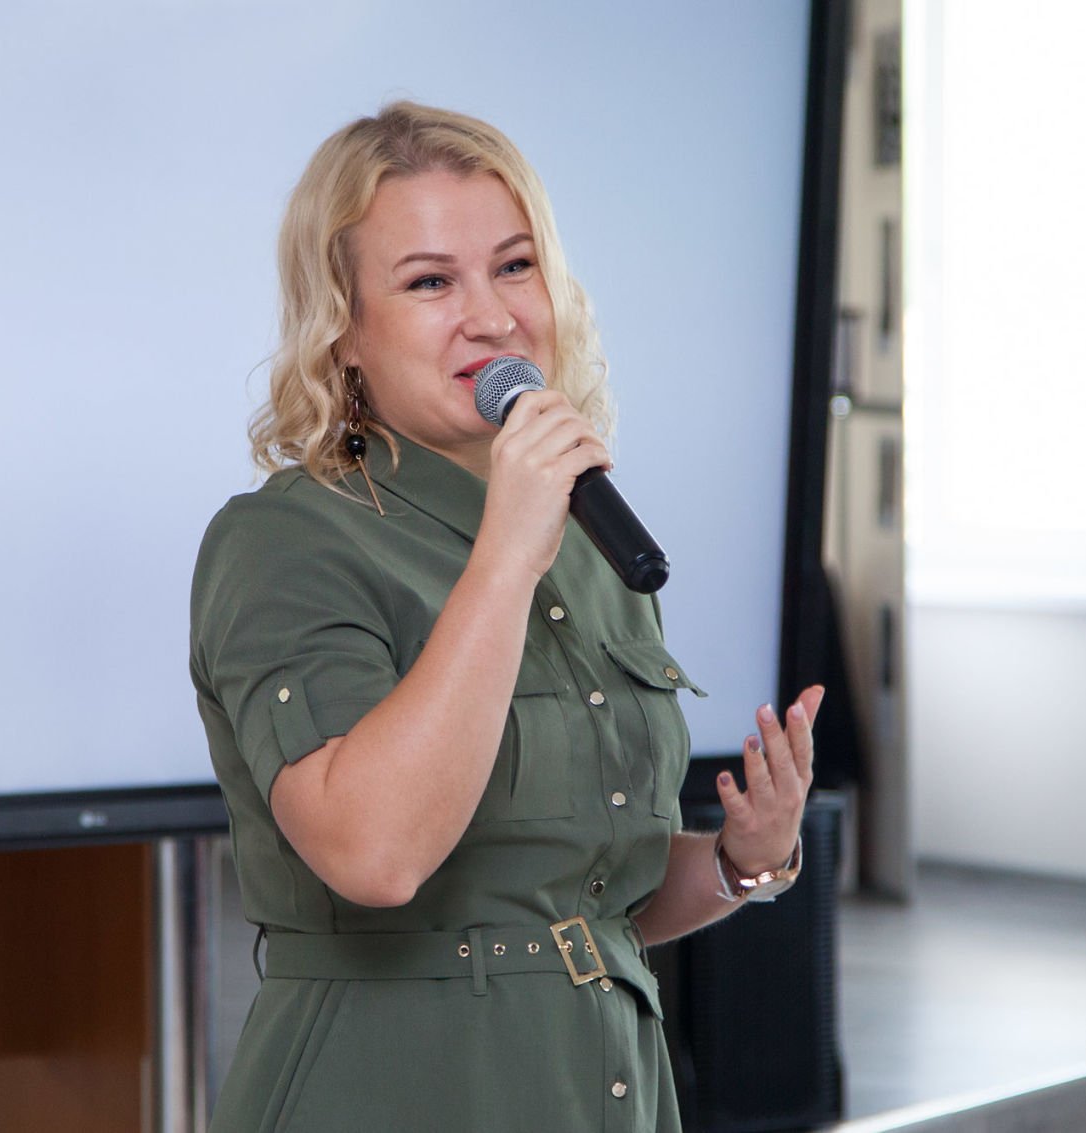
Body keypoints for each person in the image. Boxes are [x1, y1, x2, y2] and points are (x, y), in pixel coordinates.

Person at [189, 100, 822, 1132]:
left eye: (514, 267)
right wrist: (506, 556)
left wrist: (736, 861)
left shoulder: (588, 540)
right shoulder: (287, 542)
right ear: (342, 329)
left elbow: (584, 898)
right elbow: (374, 854)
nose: (490, 316)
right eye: (430, 281)